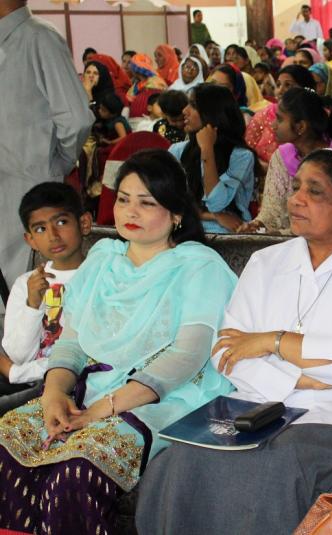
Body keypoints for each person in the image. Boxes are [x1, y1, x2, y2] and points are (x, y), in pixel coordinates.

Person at [136, 148, 332, 534]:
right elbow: (227, 351)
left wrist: (272, 342)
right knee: (180, 460)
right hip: (258, 410)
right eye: (296, 186)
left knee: (274, 466)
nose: (296, 198)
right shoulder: (266, 262)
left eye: (315, 192)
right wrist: (302, 378)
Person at [0, 149, 237, 535]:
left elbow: (186, 356)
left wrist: (104, 409)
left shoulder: (198, 266)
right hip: (88, 393)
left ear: (176, 213)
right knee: (7, 440)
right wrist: (54, 394)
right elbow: (72, 344)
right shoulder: (103, 259)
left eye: (147, 202)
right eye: (124, 199)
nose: (131, 211)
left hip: (161, 401)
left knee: (76, 469)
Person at [0, 0, 94, 296]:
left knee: (30, 287)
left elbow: (76, 119)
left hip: (28, 187)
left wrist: (55, 164)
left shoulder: (38, 38)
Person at [0, 184, 91, 415]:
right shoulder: (27, 284)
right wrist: (33, 304)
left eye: (61, 222)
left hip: (73, 386)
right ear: (30, 239)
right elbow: (19, 355)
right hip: (30, 381)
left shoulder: (97, 277)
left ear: (84, 223)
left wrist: (15, 372)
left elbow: (89, 356)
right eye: (40, 229)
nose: (53, 236)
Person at [237, 87, 332, 234]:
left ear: (300, 126)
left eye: (280, 119)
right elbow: (271, 214)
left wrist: (282, 234)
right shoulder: (282, 156)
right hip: (285, 242)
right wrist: (257, 225)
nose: (273, 125)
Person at [169, 83, 255, 234]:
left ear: (213, 114)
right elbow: (168, 201)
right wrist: (212, 216)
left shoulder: (241, 156)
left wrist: (207, 149)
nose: (184, 111)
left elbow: (217, 203)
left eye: (193, 106)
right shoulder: (177, 151)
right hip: (184, 229)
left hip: (227, 234)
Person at [244, 64, 317, 166]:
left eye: (288, 85)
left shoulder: (314, 118)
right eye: (278, 85)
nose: (280, 91)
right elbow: (246, 151)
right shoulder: (263, 115)